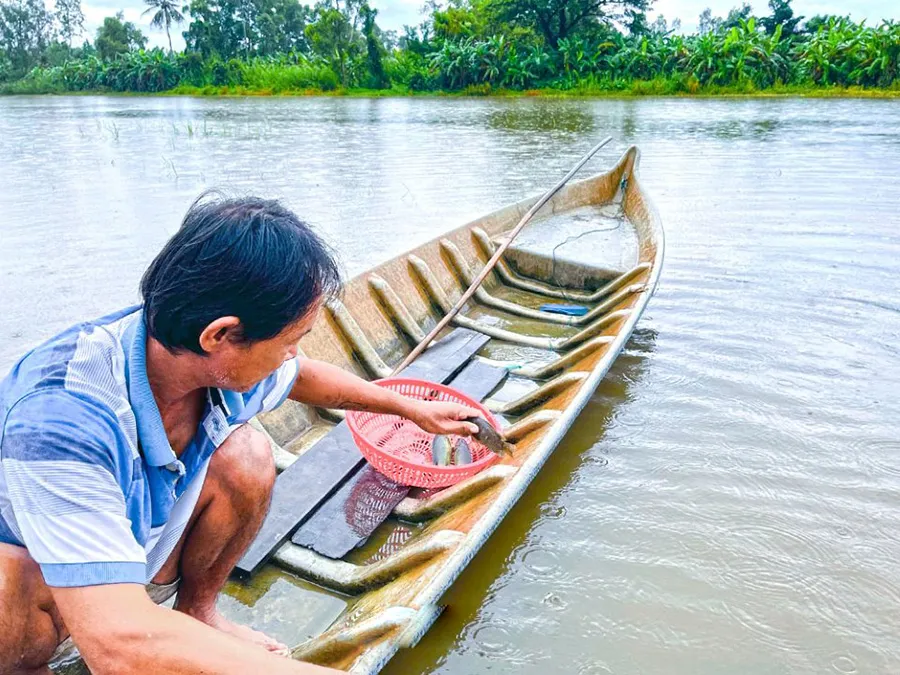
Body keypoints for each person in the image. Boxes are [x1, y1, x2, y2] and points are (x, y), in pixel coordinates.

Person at [0, 194, 480, 675]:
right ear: (220, 336)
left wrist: (409, 407)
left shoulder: (197, 357)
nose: (293, 355)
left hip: (132, 534)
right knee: (9, 581)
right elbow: (116, 643)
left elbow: (304, 378)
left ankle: (198, 614)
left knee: (247, 452)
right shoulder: (58, 425)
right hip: (43, 569)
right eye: (290, 341)